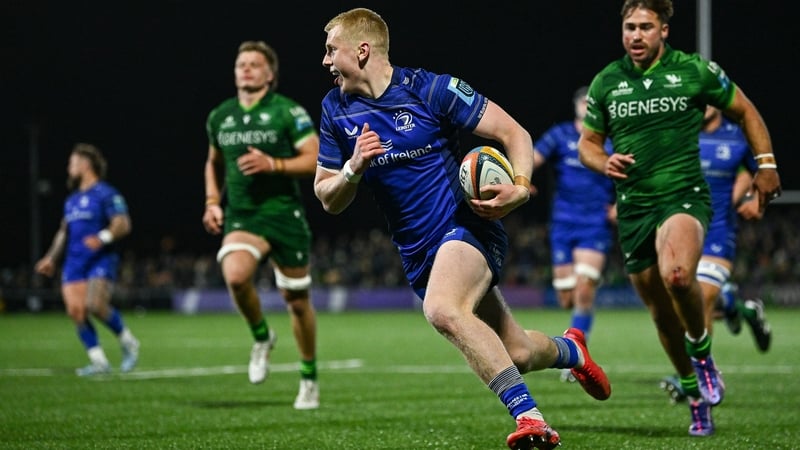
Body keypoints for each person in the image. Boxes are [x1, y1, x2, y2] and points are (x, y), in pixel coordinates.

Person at [314, 8, 610, 449]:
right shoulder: (334, 110)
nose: (324, 61)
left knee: (442, 309)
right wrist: (353, 168)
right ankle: (572, 350)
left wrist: (522, 188)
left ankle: (531, 420)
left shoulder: (431, 89)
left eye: (330, 50)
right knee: (519, 353)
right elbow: (326, 196)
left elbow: (515, 134)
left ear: (361, 51)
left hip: (467, 227)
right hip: (418, 255)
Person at [577, 0, 782, 437]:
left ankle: (703, 354)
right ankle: (694, 394)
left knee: (677, 277)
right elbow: (588, 144)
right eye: (629, 27)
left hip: (682, 197)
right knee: (659, 313)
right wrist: (603, 161)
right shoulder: (607, 82)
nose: (635, 35)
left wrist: (765, 163)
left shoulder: (695, 71)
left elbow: (744, 110)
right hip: (634, 207)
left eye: (645, 27)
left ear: (664, 30)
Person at [202, 40, 320, 410]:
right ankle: (262, 336)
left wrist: (275, 165)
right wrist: (211, 201)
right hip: (244, 215)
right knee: (235, 275)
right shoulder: (220, 116)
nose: (246, 69)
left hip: (285, 215)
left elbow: (315, 158)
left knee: (296, 301)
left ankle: (309, 378)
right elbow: (213, 162)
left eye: (255, 64)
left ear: (270, 74)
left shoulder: (288, 112)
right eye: (241, 63)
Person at [660, 105, 773, 403]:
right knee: (684, 304)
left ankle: (699, 375)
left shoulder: (737, 138)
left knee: (703, 299)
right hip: (683, 230)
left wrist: (754, 201)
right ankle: (742, 309)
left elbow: (760, 175)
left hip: (718, 233)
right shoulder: (680, 135)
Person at [531, 86, 616, 383]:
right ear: (576, 105)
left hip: (594, 224)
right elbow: (532, 158)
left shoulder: (609, 141)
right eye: (583, 100)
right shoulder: (560, 135)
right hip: (564, 224)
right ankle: (575, 340)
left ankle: (577, 354)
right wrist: (520, 179)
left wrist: (622, 204)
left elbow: (632, 175)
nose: (587, 104)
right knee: (566, 297)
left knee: (584, 290)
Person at [34, 143, 140, 376]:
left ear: (85, 164)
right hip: (74, 262)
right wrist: (51, 258)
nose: (68, 167)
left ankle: (128, 342)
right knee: (76, 312)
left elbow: (123, 223)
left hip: (99, 259)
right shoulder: (71, 201)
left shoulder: (106, 193)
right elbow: (64, 231)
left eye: (72, 162)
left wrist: (102, 237)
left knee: (95, 305)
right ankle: (99, 361)